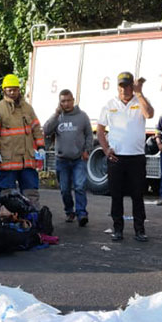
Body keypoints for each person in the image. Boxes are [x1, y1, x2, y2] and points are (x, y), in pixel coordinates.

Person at [97, 71, 154, 240]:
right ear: (117, 87)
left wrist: (139, 93)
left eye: (127, 86)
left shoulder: (139, 101)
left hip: (136, 157)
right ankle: (118, 229)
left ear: (132, 87)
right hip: (117, 158)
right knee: (116, 195)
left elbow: (149, 114)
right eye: (121, 86)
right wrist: (106, 149)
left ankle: (140, 230)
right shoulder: (110, 105)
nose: (124, 90)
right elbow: (100, 130)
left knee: (137, 195)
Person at [0, 73, 45, 209]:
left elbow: (36, 129)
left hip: (27, 160)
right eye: (10, 90)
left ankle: (33, 217)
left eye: (15, 89)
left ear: (19, 90)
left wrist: (41, 147)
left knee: (31, 193)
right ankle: (7, 218)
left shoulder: (27, 108)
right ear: (4, 91)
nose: (13, 93)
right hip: (7, 161)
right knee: (7, 195)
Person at [43, 89, 94, 224]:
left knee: (79, 186)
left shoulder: (82, 116)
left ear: (73, 100)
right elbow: (46, 130)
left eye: (68, 100)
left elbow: (89, 134)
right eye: (63, 101)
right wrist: (56, 114)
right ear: (59, 102)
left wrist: (87, 150)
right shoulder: (58, 117)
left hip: (78, 159)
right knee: (65, 189)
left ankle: (81, 214)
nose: (66, 104)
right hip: (62, 160)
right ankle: (69, 211)